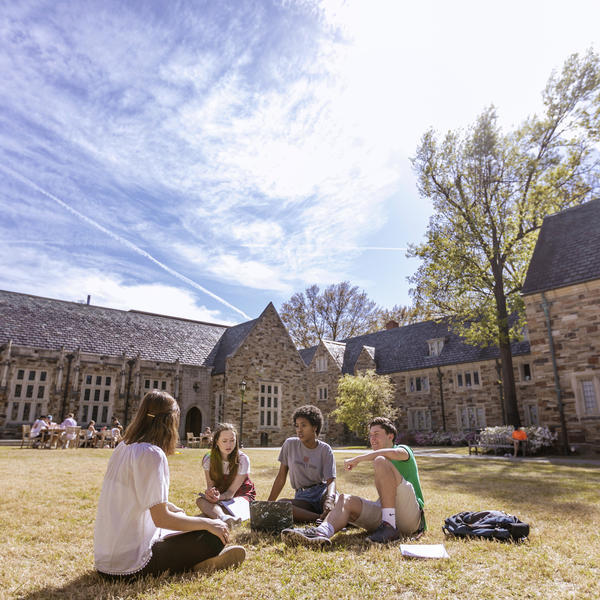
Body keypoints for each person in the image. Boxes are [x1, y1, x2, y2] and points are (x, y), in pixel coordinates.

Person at [94, 390, 246, 579]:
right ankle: (201, 563)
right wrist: (208, 523)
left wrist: (171, 508)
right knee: (213, 535)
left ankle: (201, 562)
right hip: (130, 565)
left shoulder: (123, 446)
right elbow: (162, 519)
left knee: (188, 522)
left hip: (104, 561)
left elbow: (134, 496)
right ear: (170, 421)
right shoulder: (152, 454)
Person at [282, 416, 426, 546]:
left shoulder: (403, 450)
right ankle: (320, 533)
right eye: (370, 435)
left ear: (390, 435)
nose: (372, 439)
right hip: (386, 512)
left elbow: (392, 454)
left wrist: (358, 459)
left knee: (380, 460)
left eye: (376, 434)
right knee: (345, 499)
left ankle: (389, 526)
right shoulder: (380, 459)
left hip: (410, 517)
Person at [267, 405, 336, 523]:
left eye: (304, 425)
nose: (299, 430)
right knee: (281, 505)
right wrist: (268, 505)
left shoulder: (325, 449)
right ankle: (319, 518)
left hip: (321, 492)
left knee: (340, 502)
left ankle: (334, 515)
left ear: (314, 427)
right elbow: (280, 478)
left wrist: (330, 499)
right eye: (297, 426)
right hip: (303, 497)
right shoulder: (290, 444)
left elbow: (331, 481)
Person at [196, 423, 256, 528]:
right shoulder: (208, 459)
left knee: (214, 510)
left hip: (240, 497)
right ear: (217, 442)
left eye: (232, 440)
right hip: (221, 498)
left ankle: (208, 518)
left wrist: (219, 498)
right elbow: (211, 486)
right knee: (200, 501)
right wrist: (211, 494)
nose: (229, 445)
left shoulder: (242, 460)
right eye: (224, 441)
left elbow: (231, 492)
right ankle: (224, 518)